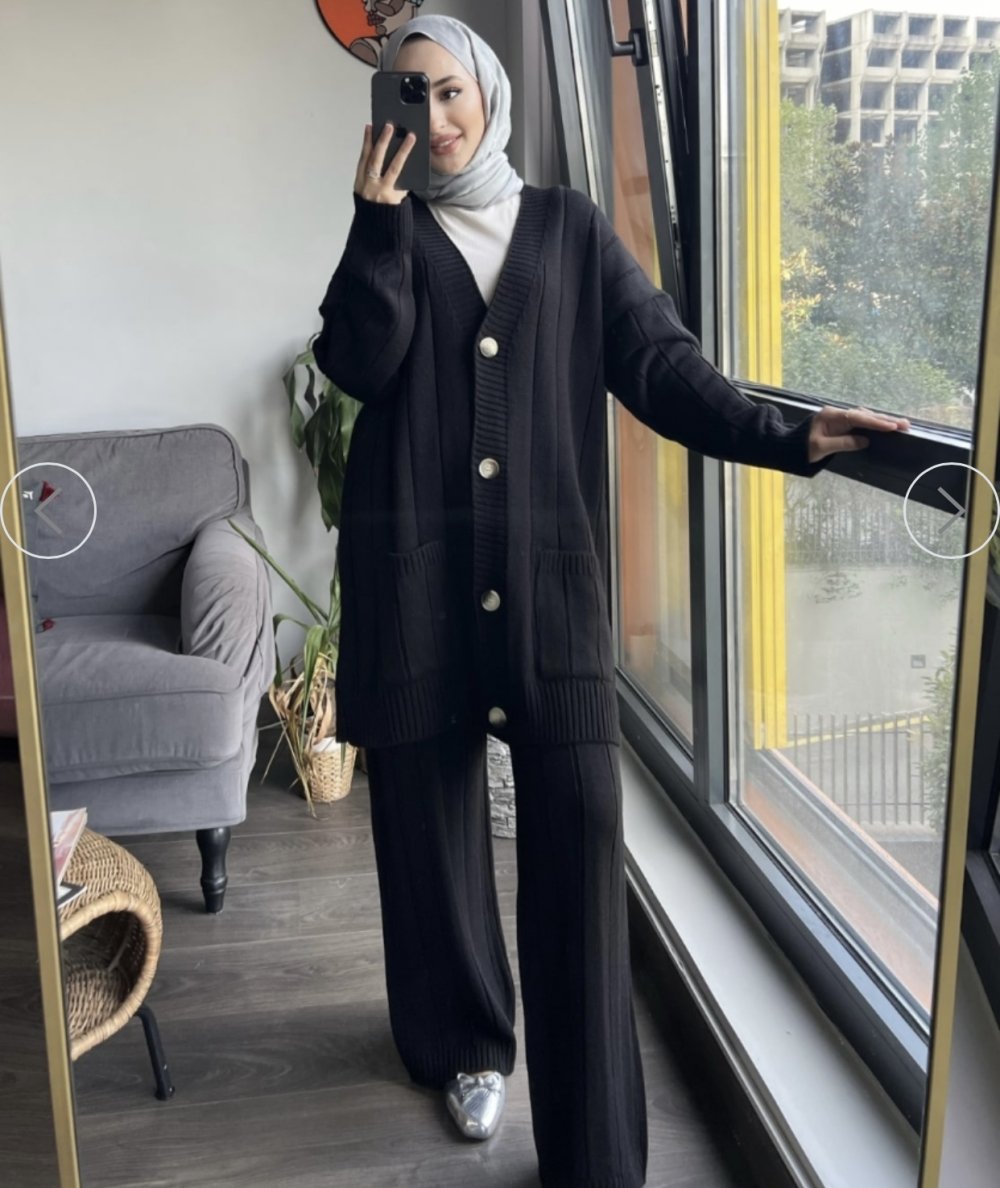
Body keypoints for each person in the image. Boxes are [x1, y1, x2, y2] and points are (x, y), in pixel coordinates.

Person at [313, 15, 910, 1187]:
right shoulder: (390, 233)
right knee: (427, 836)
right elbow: (356, 366)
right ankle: (461, 1044)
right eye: (407, 96)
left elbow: (660, 367)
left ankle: (593, 1154)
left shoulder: (570, 229)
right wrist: (373, 225)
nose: (435, 118)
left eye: (449, 90)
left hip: (549, 591)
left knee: (581, 848)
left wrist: (792, 433)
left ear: (489, 93)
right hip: (414, 586)